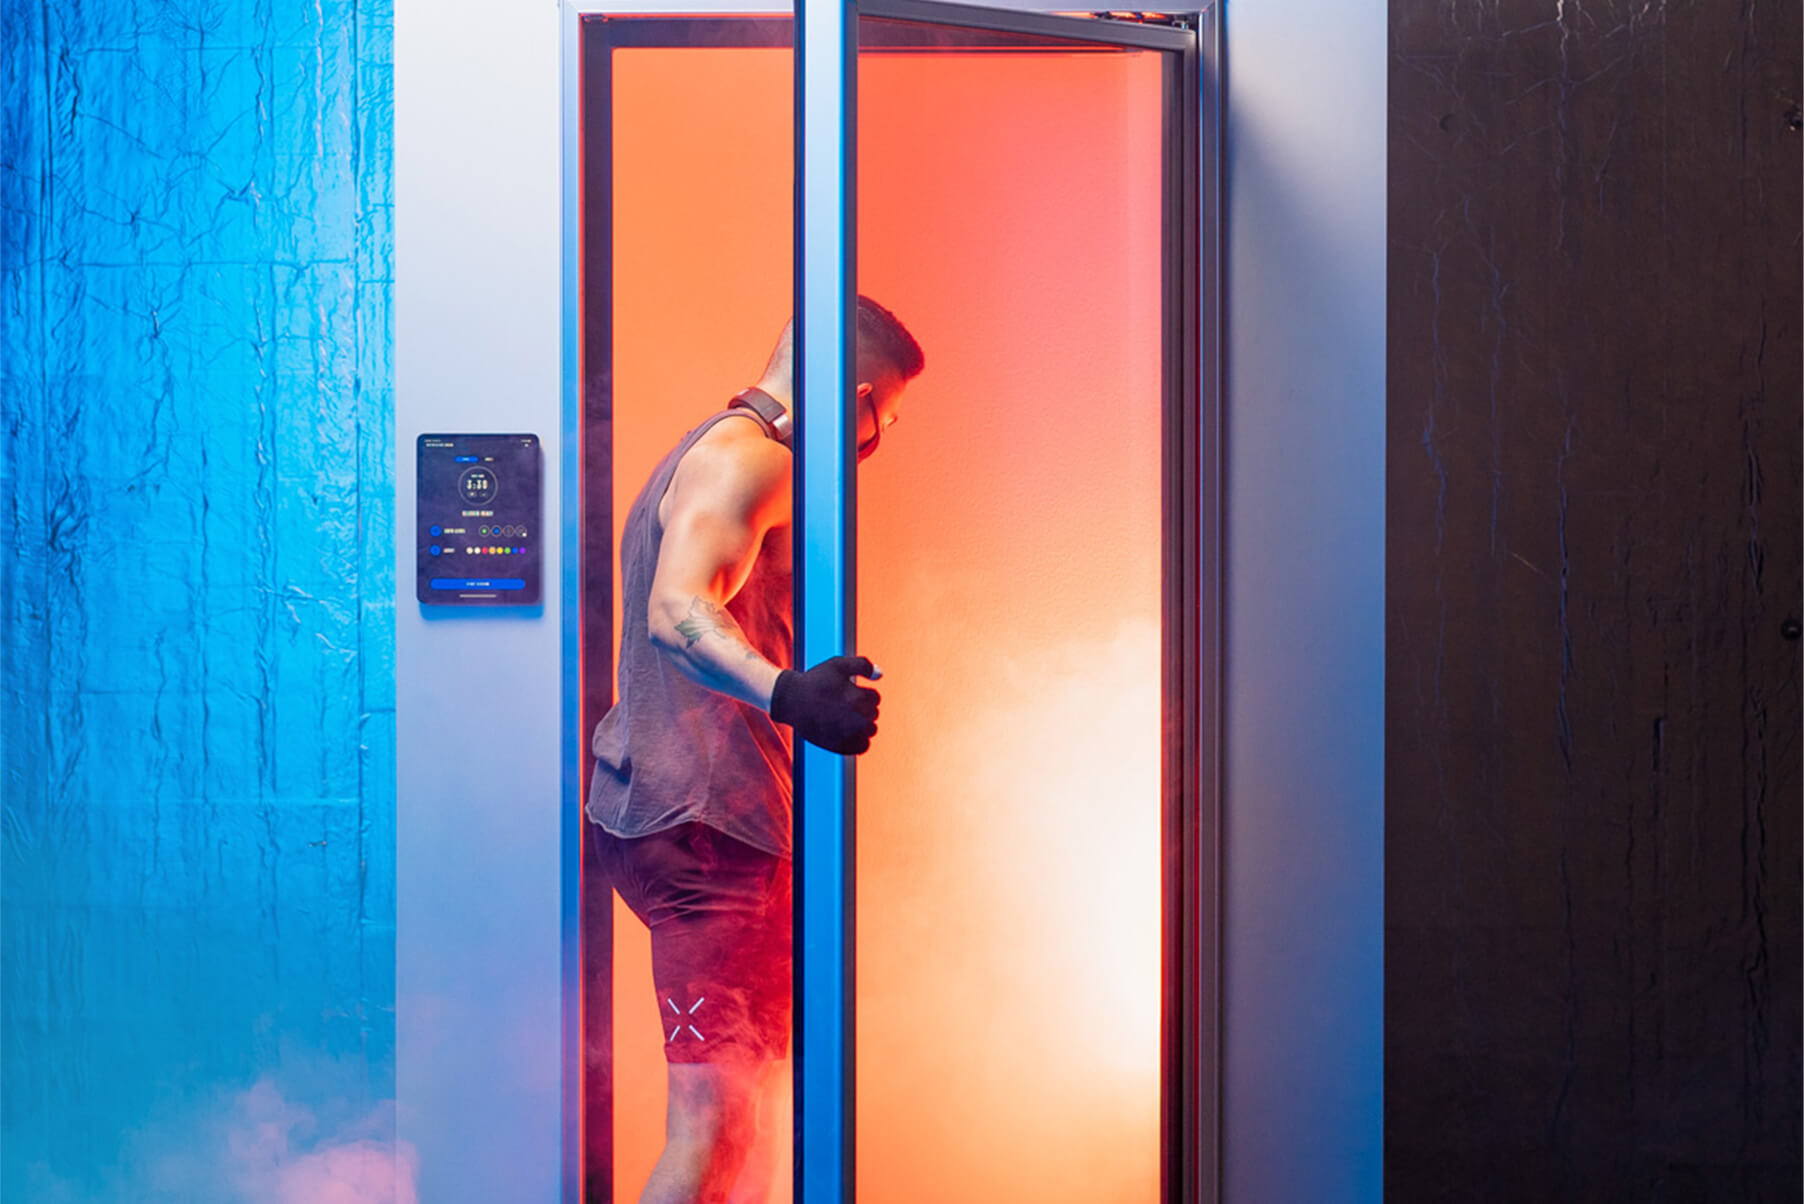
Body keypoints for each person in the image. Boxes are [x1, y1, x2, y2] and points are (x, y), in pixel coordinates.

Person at [586, 297, 925, 1204]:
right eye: (880, 425)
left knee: (739, 1128)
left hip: (693, 821)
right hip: (707, 832)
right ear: (853, 401)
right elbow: (675, 608)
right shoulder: (753, 461)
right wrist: (791, 695)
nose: (872, 449)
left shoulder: (718, 451)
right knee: (713, 1129)